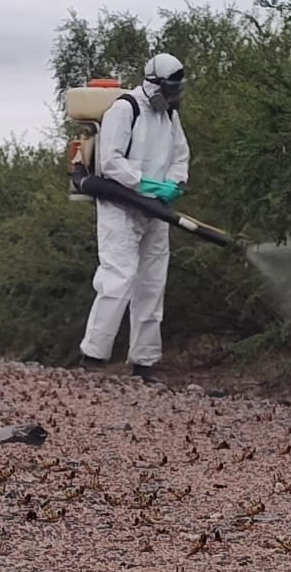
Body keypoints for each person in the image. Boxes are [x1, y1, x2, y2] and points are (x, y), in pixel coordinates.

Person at [77, 52, 190, 384]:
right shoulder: (125, 109)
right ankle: (93, 356)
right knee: (118, 278)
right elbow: (111, 161)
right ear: (154, 84)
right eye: (169, 89)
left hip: (156, 211)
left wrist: (174, 183)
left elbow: (181, 154)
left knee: (152, 284)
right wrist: (143, 183)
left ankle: (145, 363)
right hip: (121, 209)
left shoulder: (170, 116)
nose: (173, 96)